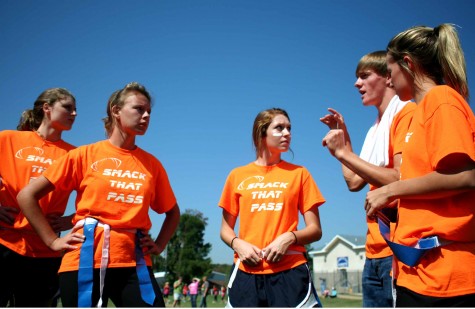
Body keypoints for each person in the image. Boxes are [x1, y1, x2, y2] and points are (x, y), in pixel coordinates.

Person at [17, 82, 181, 307]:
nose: (145, 116)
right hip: (83, 261)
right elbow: (27, 196)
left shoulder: (152, 164)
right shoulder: (84, 155)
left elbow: (172, 212)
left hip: (134, 262)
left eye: (149, 112)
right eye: (138, 109)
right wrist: (52, 240)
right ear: (116, 111)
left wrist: (160, 245)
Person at [365, 24, 475, 306]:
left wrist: (391, 191)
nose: (388, 81)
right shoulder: (418, 112)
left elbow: (465, 176)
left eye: (389, 73)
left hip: (446, 276)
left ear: (409, 65)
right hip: (418, 272)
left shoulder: (442, 99)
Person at [320, 51, 415, 307]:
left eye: (364, 76)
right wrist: (344, 138)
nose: (356, 84)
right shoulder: (374, 129)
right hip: (373, 251)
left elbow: (400, 177)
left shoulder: (405, 114)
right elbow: (353, 181)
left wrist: (342, 151)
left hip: (397, 249)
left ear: (387, 77)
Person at [219, 108, 325, 307]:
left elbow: (315, 229)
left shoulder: (300, 174)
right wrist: (237, 244)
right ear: (261, 132)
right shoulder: (237, 175)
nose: (287, 133)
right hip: (246, 274)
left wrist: (289, 237)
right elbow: (225, 230)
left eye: (289, 128)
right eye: (279, 128)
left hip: (290, 272)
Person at [0, 88, 78, 307]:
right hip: (5, 241)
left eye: (75, 109)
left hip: (46, 252)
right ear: (47, 108)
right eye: (68, 108)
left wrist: (72, 219)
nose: (74, 114)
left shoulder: (74, 155)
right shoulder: (8, 139)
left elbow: (96, 197)